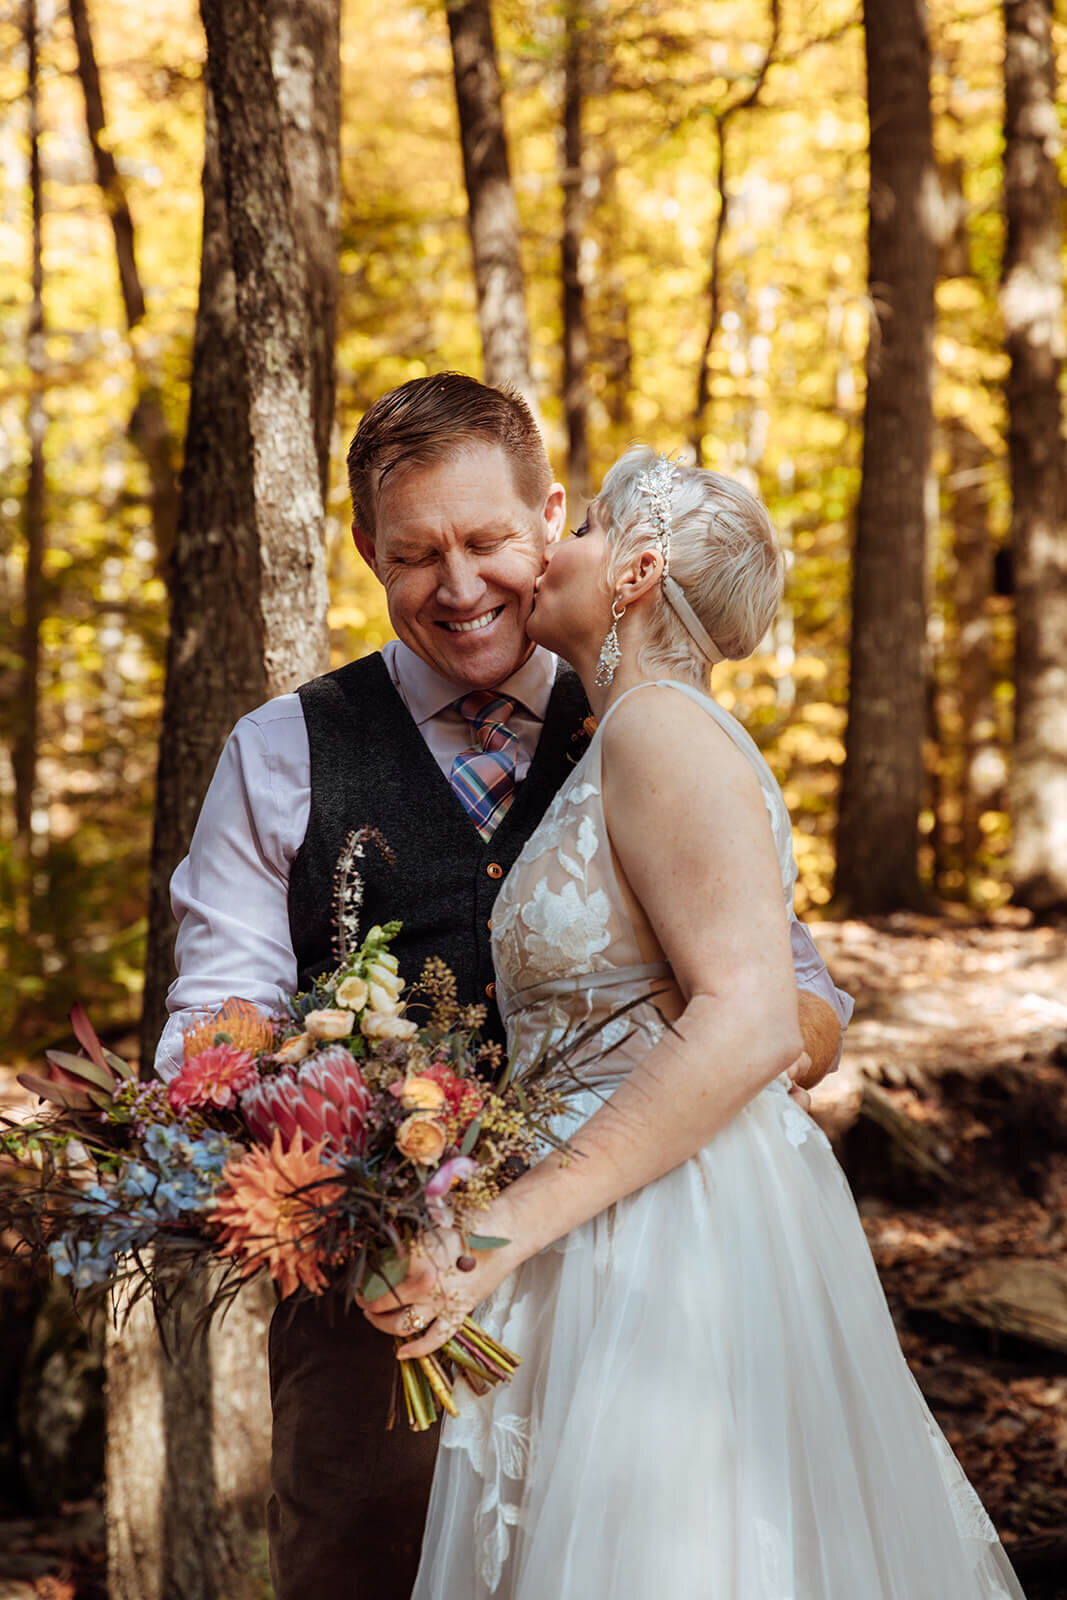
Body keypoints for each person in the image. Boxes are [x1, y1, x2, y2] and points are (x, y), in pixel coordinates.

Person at [154, 377, 851, 1599]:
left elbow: (796, 1000)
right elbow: (212, 1028)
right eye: (417, 553)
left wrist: (677, 1066)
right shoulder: (278, 753)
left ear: (550, 515)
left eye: (486, 542)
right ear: (366, 548)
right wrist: (343, 1152)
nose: (460, 585)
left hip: (642, 1300)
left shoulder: (647, 717)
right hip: (381, 1317)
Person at [361, 447, 1024, 1600]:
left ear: (636, 570)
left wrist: (501, 1229)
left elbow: (750, 1019)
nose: (547, 558)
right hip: (620, 1216)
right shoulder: (627, 733)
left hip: (669, 1241)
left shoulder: (658, 728)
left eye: (585, 531)